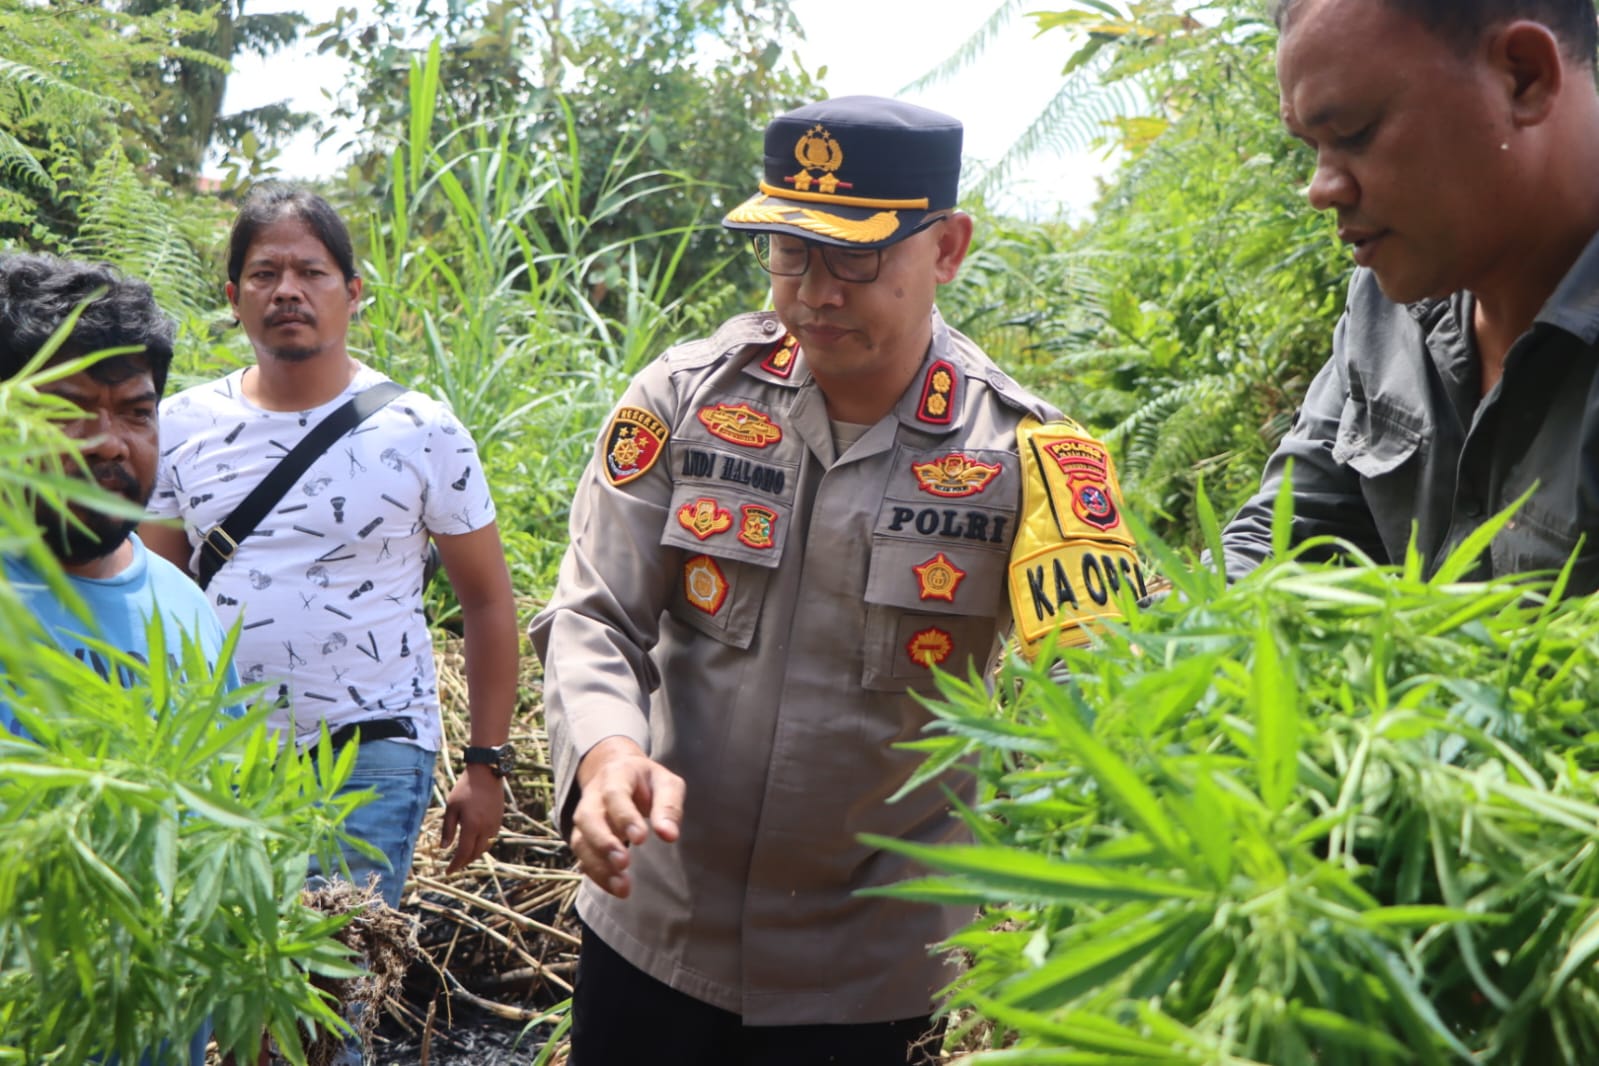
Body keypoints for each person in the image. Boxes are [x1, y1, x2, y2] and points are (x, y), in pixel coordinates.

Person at [530, 95, 1142, 1065]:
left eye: (855, 258)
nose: (813, 291)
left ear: (947, 250)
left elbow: (1102, 698)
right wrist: (605, 754)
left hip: (876, 979)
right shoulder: (682, 402)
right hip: (654, 931)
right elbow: (593, 615)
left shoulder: (1037, 460)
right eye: (787, 251)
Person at [140, 185, 519, 906]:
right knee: (227, 982)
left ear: (352, 292)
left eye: (311, 273)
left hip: (371, 746)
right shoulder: (180, 425)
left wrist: (484, 764)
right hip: (215, 754)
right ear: (233, 295)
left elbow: (487, 601)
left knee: (329, 995)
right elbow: (157, 597)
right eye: (264, 274)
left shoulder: (422, 430)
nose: (288, 291)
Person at [1219, 0, 1599, 587]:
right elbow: (1282, 540)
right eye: (1310, 146)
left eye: (1355, 133)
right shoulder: (1386, 304)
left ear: (1523, 77)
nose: (1321, 189)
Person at [0, 252, 229, 1066]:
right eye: (68, 410)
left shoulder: (186, 608)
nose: (109, 444)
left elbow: (221, 825)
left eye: (136, 412)